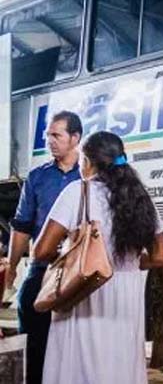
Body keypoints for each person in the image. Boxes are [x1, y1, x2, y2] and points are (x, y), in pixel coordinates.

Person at [32, 131, 163, 384]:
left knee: (81, 367)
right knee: (120, 367)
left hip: (85, 290)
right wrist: (130, 262)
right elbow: (161, 257)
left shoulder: (78, 192)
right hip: (126, 300)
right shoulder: (140, 199)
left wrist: (72, 256)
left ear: (87, 161)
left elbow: (41, 251)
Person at [5, 111, 83, 384]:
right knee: (31, 319)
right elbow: (22, 226)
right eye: (48, 135)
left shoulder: (89, 175)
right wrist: (12, 268)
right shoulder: (37, 177)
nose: (50, 141)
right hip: (43, 269)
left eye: (56, 135)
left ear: (75, 138)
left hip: (79, 271)